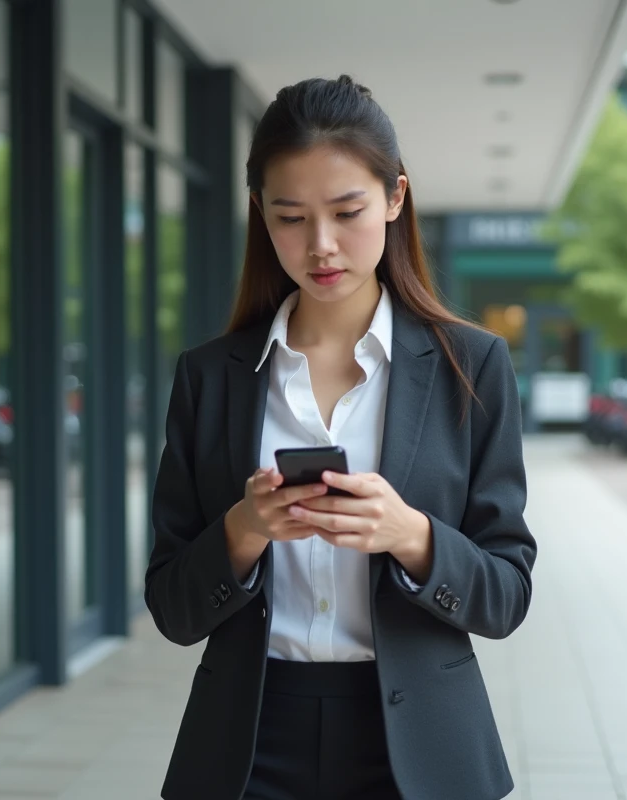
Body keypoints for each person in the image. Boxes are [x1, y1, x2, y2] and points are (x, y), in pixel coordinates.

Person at [145, 74, 537, 800]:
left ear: (395, 199)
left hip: (420, 748)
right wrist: (243, 528)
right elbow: (173, 608)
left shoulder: (471, 366)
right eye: (290, 216)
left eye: (347, 210)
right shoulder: (210, 378)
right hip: (247, 743)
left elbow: (507, 595)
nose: (320, 245)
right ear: (260, 214)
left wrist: (410, 534)